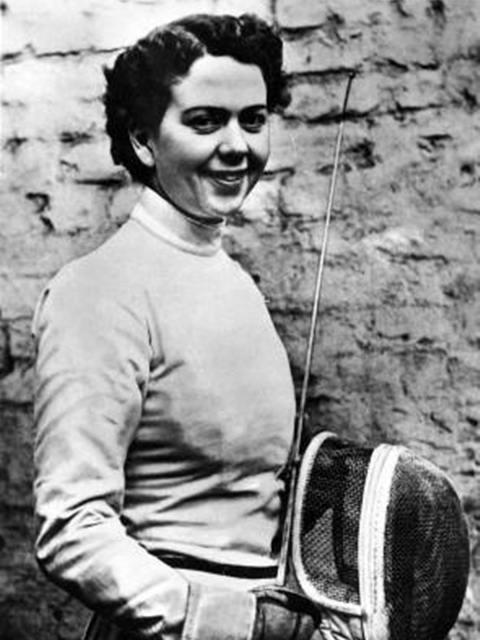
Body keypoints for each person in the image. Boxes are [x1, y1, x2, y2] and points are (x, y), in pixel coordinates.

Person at [32, 13, 322, 640]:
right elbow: (71, 528)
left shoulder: (236, 283)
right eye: (205, 121)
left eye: (253, 120)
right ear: (143, 140)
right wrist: (229, 622)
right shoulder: (98, 292)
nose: (238, 146)